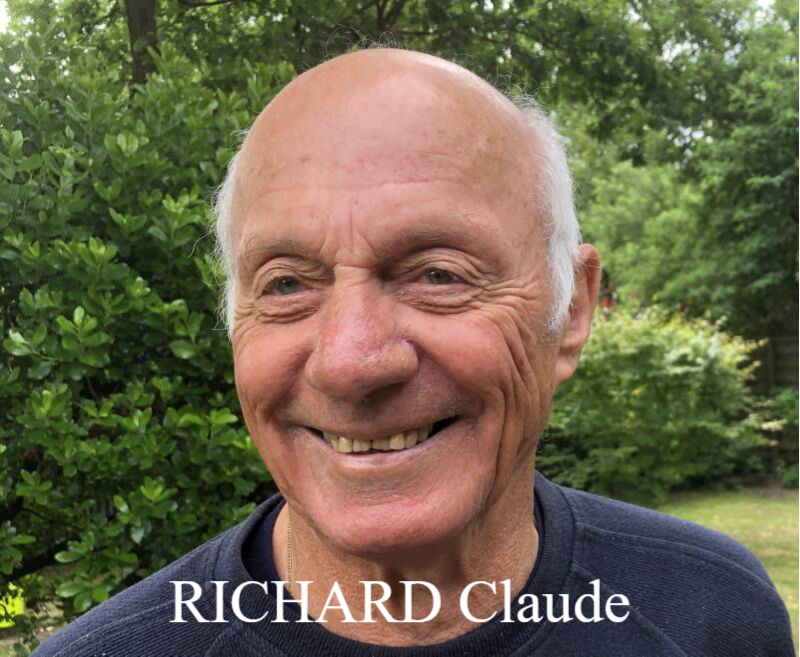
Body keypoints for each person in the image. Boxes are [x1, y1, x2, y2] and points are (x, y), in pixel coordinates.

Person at [33, 48, 794, 657]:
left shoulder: (713, 616)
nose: (350, 362)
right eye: (287, 284)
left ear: (571, 311)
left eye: (438, 275)